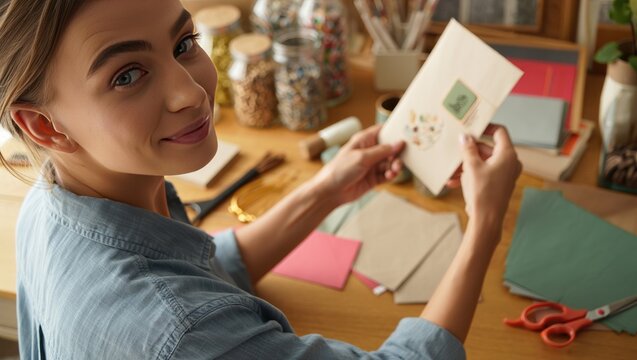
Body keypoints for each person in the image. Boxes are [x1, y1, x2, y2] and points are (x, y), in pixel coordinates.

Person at [0, 0, 521, 358]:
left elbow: (206, 270)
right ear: (43, 124)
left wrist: (326, 191)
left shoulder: (52, 200)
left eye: (183, 43)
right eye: (127, 75)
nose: (192, 92)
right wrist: (484, 225)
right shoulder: (180, 333)